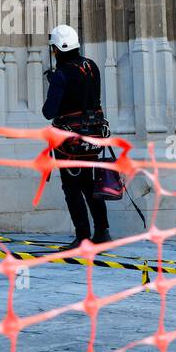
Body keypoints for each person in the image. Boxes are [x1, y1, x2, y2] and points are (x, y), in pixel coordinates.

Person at [42, 24, 111, 252]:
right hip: (93, 136)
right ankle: (102, 232)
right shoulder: (91, 66)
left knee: (72, 188)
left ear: (57, 49)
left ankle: (82, 237)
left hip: (70, 142)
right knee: (91, 184)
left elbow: (49, 112)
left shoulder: (61, 74)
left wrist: (54, 85)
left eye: (53, 48)